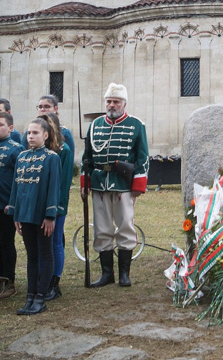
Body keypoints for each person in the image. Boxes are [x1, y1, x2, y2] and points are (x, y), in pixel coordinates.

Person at [81, 84, 149, 289]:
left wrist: (138, 184)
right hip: (100, 183)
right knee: (102, 228)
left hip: (123, 184)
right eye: (109, 101)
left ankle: (124, 274)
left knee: (126, 226)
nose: (111, 105)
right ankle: (107, 274)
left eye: (116, 101)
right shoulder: (95, 125)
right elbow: (87, 158)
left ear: (124, 103)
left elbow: (142, 156)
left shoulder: (136, 125)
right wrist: (85, 183)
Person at [8, 117, 62, 315]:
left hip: (41, 215)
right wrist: (15, 213)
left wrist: (50, 215)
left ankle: (41, 296)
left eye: (35, 133)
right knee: (32, 256)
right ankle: (30, 296)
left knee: (45, 254)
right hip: (25, 214)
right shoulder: (21, 157)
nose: (31, 136)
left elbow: (53, 188)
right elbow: (16, 187)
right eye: (29, 133)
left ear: (46, 135)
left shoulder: (51, 158)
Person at [37, 94, 76, 298]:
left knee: (55, 242)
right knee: (41, 242)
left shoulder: (63, 148)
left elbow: (63, 181)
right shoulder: (36, 149)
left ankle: (54, 281)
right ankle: (42, 278)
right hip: (38, 204)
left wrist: (57, 207)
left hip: (56, 204)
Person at [0, 111, 23, 300]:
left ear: (10, 128)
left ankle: (8, 279)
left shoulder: (16, 149)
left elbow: (20, 179)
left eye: (0, 124)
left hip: (6, 204)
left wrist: (14, 204)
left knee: (6, 243)